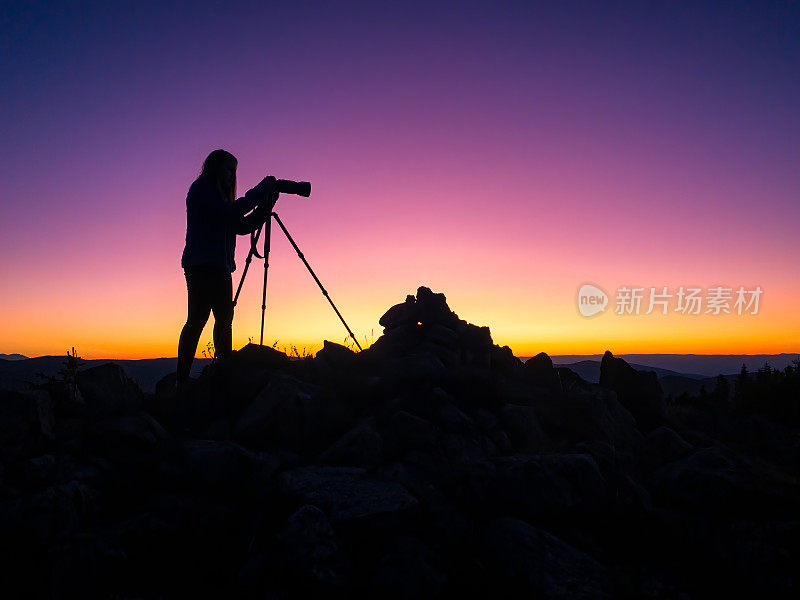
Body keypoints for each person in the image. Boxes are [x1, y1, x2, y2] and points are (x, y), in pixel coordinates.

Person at [176, 149, 277, 388]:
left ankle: (204, 375)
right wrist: (257, 194)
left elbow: (240, 226)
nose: (232, 175)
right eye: (228, 169)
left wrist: (263, 209)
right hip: (204, 266)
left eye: (234, 170)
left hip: (213, 266)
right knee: (208, 319)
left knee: (213, 319)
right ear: (214, 168)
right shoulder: (202, 190)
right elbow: (230, 214)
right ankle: (211, 374)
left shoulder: (219, 196)